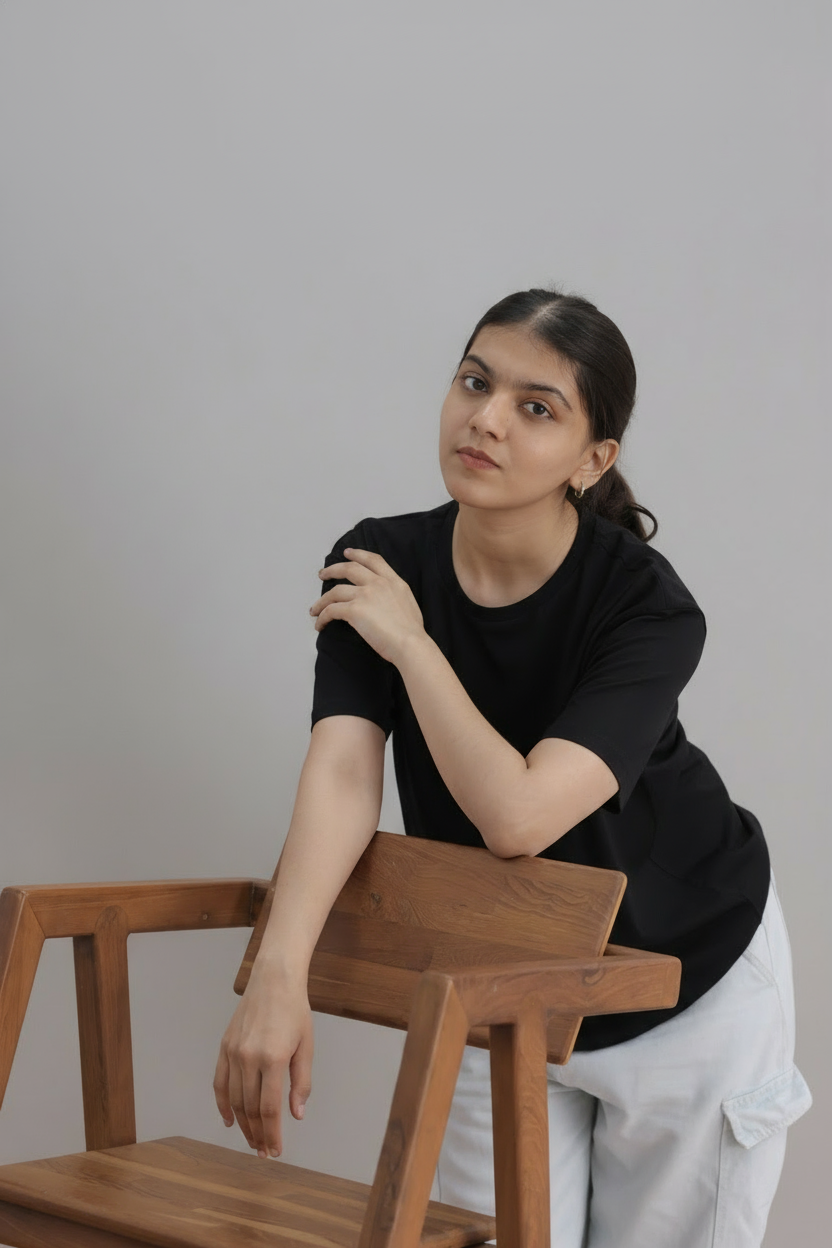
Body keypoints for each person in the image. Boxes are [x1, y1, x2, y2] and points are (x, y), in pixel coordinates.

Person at [213, 288, 811, 1248]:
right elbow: (343, 777)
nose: (486, 418)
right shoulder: (378, 559)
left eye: (537, 406)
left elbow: (520, 817)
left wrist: (413, 646)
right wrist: (277, 975)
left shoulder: (648, 607)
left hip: (681, 981)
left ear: (592, 459)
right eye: (474, 381)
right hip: (502, 982)